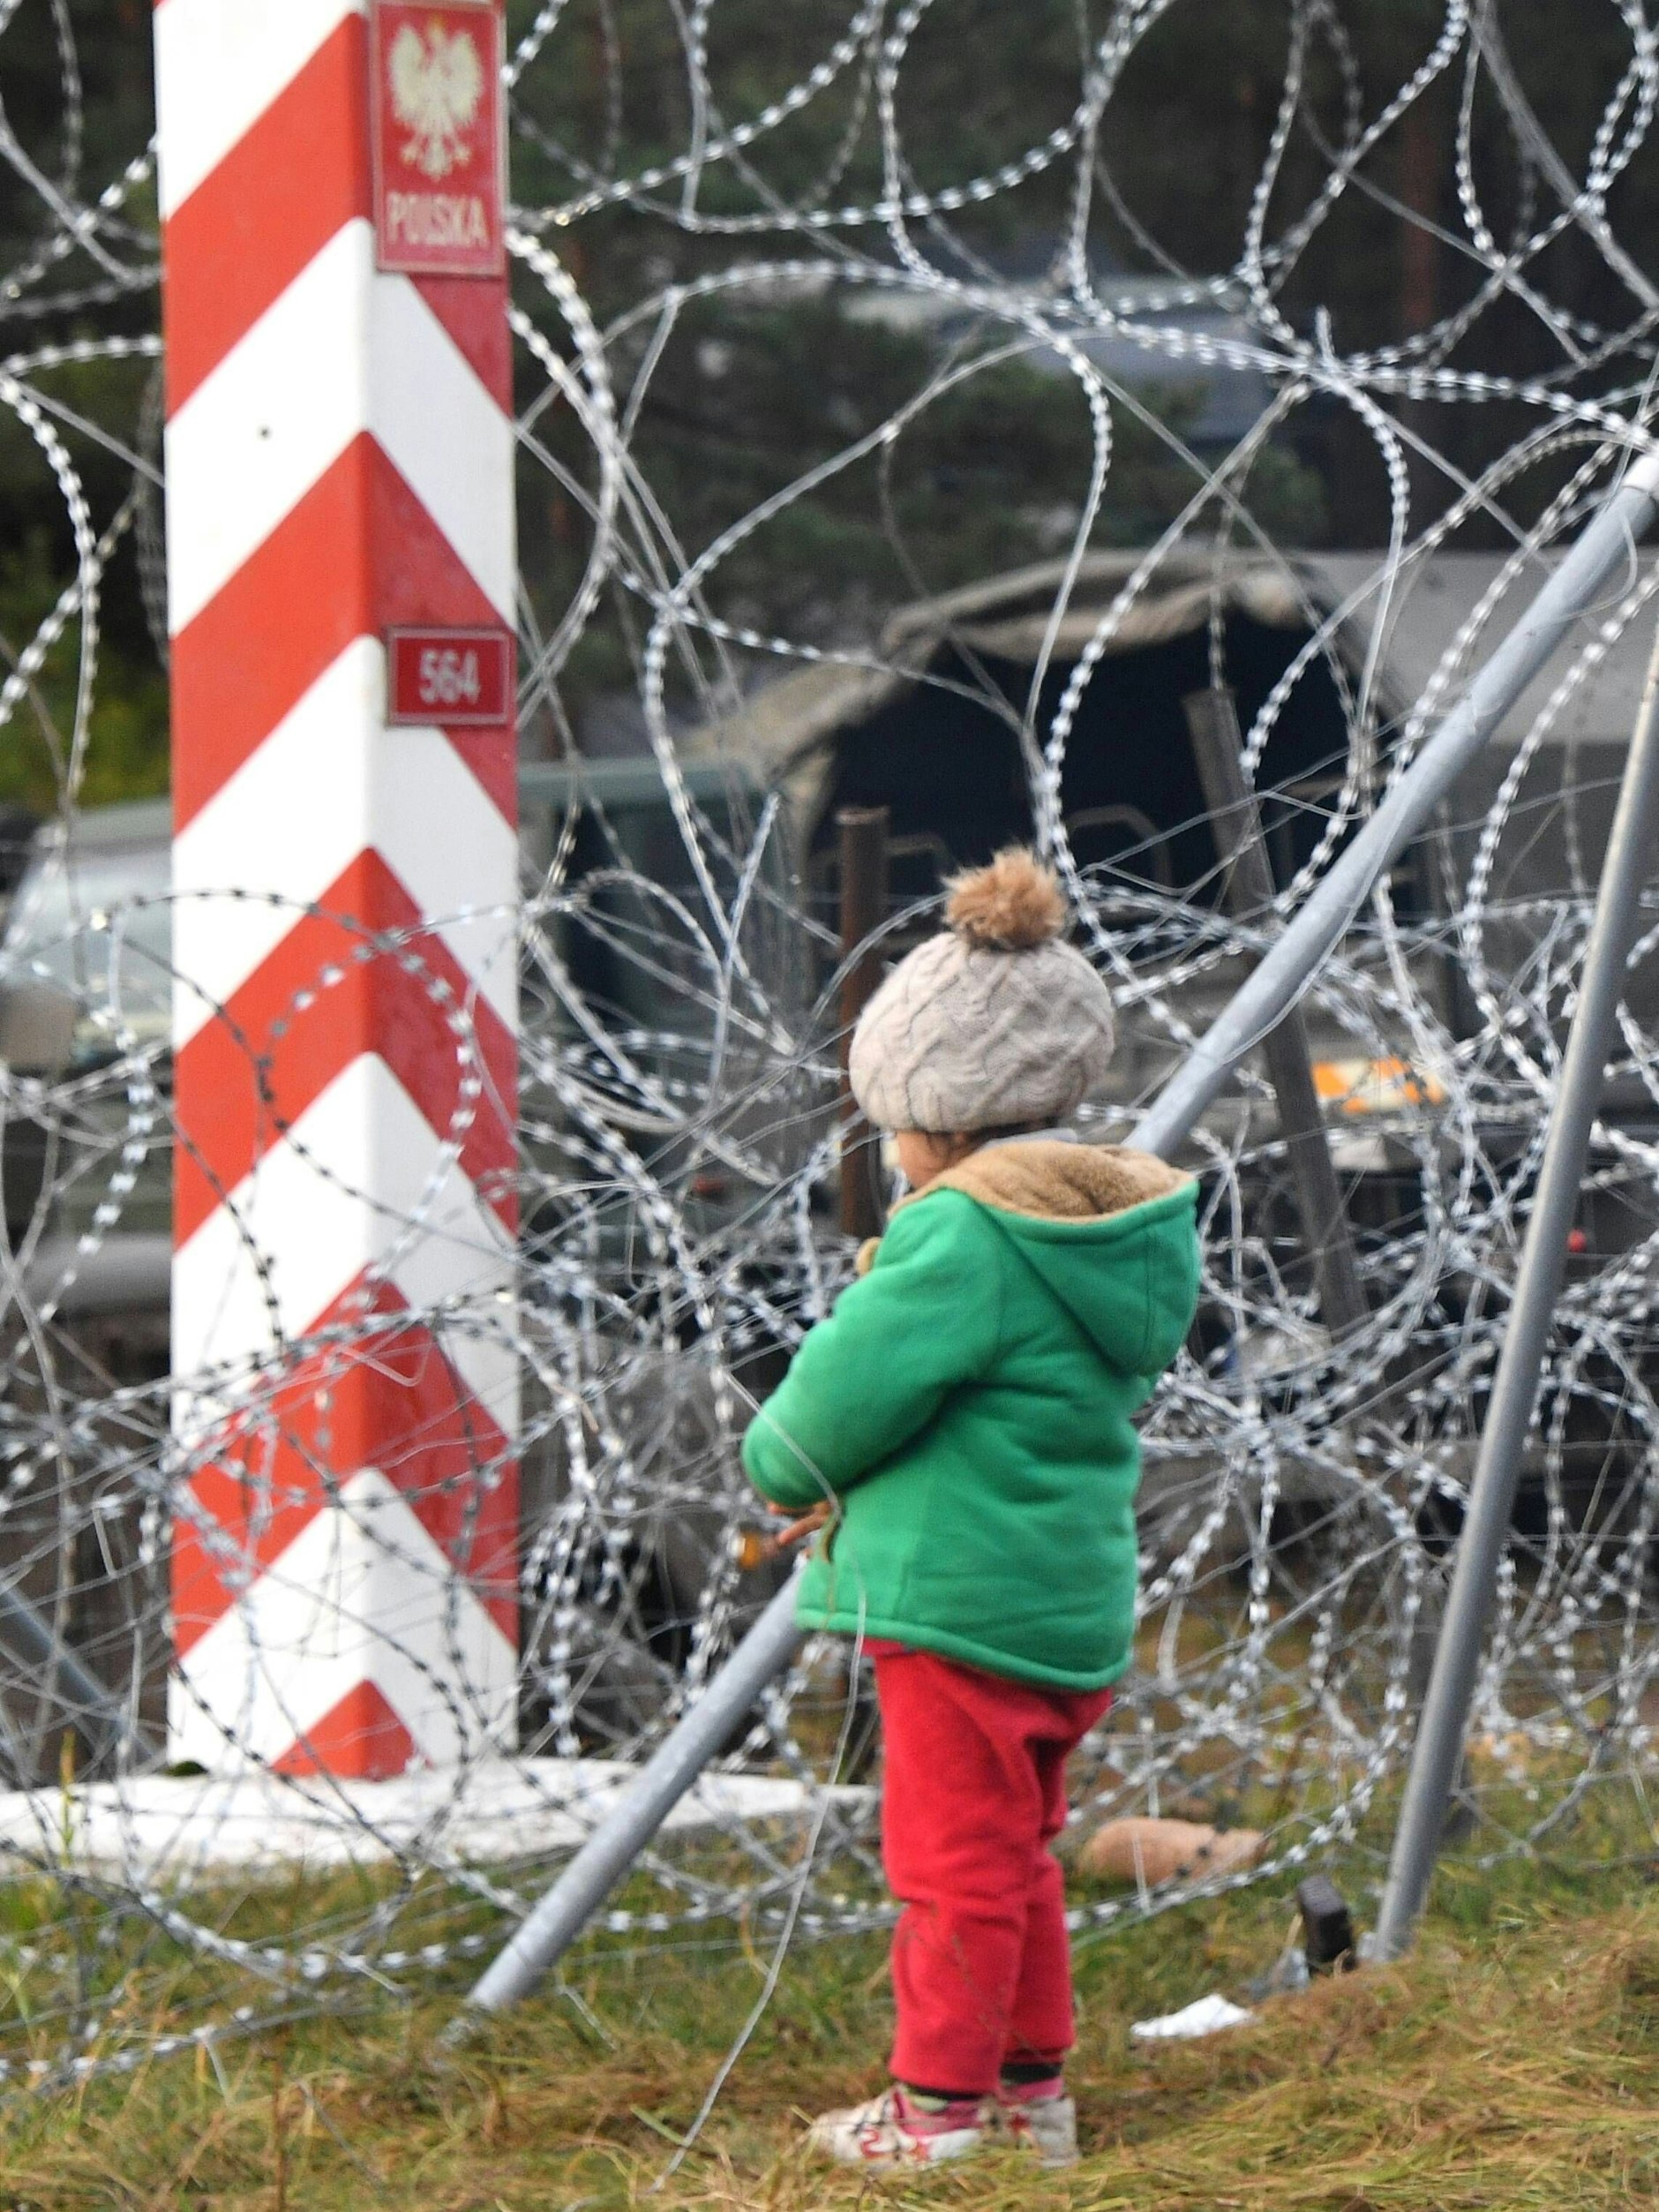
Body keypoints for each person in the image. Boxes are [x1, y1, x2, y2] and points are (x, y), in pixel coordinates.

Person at [741, 846, 1201, 2171]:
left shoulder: (964, 1233)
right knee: (1021, 1858)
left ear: (936, 1113)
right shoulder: (1107, 1226)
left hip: (955, 1607)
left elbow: (837, 1398)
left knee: (948, 1866)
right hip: (1062, 1601)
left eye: (892, 1121)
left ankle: (936, 2111)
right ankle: (1027, 2090)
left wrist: (779, 1467)